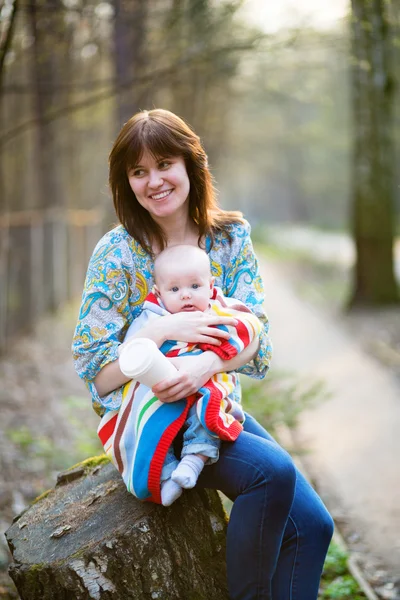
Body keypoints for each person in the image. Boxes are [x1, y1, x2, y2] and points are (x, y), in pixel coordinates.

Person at [72, 108, 334, 600]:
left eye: (165, 164)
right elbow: (95, 372)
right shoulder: (118, 253)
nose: (154, 181)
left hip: (212, 400)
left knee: (314, 526)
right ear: (125, 183)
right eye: (138, 171)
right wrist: (166, 329)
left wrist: (205, 364)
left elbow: (256, 336)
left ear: (192, 165)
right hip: (151, 419)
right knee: (271, 474)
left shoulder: (230, 238)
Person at [116, 243, 262, 506]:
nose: (186, 295)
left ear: (210, 285)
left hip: (206, 389)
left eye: (195, 286)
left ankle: (195, 460)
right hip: (164, 393)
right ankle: (165, 474)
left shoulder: (219, 310)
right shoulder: (152, 318)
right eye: (175, 289)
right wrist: (162, 332)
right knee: (149, 424)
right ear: (158, 293)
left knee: (206, 410)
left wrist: (213, 355)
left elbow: (250, 326)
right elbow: (131, 351)